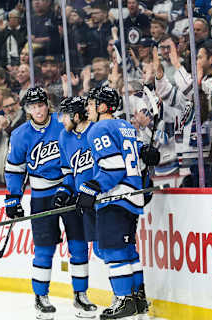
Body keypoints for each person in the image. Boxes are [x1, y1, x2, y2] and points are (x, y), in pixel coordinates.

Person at [5, 87, 95, 319]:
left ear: (48, 104)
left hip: (70, 191)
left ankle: (80, 294)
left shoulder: (62, 124)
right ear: (27, 109)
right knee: (44, 249)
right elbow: (15, 170)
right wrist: (13, 198)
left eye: (41, 104)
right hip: (42, 197)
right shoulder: (20, 135)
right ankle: (41, 297)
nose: (38, 110)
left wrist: (73, 185)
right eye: (33, 106)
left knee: (78, 245)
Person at [75, 86, 159, 319]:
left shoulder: (99, 128)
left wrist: (90, 188)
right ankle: (138, 298)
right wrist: (146, 153)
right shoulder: (127, 127)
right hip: (132, 197)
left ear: (102, 107)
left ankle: (123, 299)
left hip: (115, 198)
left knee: (112, 250)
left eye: (91, 104)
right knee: (128, 250)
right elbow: (137, 159)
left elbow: (112, 167)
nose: (88, 108)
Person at [53, 96, 99, 318]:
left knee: (106, 250)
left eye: (65, 115)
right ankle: (80, 295)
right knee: (78, 247)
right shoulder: (64, 136)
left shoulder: (97, 132)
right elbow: (69, 173)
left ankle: (125, 296)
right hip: (80, 201)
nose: (61, 120)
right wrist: (64, 192)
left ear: (77, 116)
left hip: (101, 200)